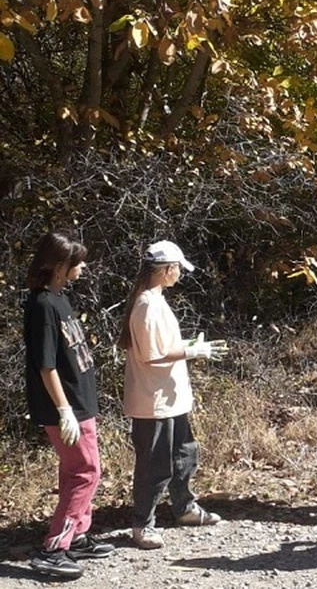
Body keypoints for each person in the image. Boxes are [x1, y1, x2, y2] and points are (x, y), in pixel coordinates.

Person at [118, 241, 228, 549]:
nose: (179, 274)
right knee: (154, 466)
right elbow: (152, 355)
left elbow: (159, 345)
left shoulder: (155, 301)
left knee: (184, 455)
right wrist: (193, 351)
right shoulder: (146, 305)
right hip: (153, 402)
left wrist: (187, 345)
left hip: (170, 399)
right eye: (177, 268)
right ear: (167, 270)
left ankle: (184, 507)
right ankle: (143, 524)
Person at [23, 232, 115, 579]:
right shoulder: (43, 305)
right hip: (67, 408)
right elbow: (46, 365)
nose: (83, 266)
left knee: (75, 471)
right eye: (77, 261)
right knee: (86, 472)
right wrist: (63, 410)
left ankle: (76, 535)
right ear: (59, 265)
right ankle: (53, 548)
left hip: (80, 403)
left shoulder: (60, 299)